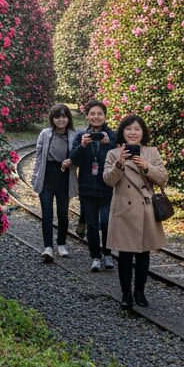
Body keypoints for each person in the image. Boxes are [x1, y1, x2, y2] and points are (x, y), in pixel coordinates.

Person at [104, 114, 168, 310]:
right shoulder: (114, 154)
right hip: (123, 209)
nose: (133, 133)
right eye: (129, 129)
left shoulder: (151, 152)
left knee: (143, 255)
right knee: (124, 256)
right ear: (122, 132)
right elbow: (108, 180)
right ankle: (126, 294)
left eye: (137, 129)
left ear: (143, 133)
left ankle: (139, 291)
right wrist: (120, 164)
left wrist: (147, 167)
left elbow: (163, 178)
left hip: (145, 209)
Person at [70, 100, 117, 272]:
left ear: (105, 116)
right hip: (87, 188)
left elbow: (118, 158)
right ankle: (95, 256)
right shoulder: (81, 136)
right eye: (92, 114)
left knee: (106, 222)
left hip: (107, 187)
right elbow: (73, 159)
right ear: (87, 116)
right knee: (92, 224)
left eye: (99, 114)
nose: (96, 117)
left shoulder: (112, 136)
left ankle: (107, 253)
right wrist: (82, 146)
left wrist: (108, 145)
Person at [30, 103, 78, 262]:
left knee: (63, 214)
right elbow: (38, 156)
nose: (61, 120)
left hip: (64, 178)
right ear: (53, 118)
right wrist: (35, 176)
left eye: (64, 116)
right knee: (47, 214)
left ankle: (61, 244)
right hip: (47, 178)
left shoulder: (73, 135)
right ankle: (48, 247)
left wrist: (72, 161)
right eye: (57, 117)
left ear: (68, 118)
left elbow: (77, 157)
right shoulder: (45, 133)